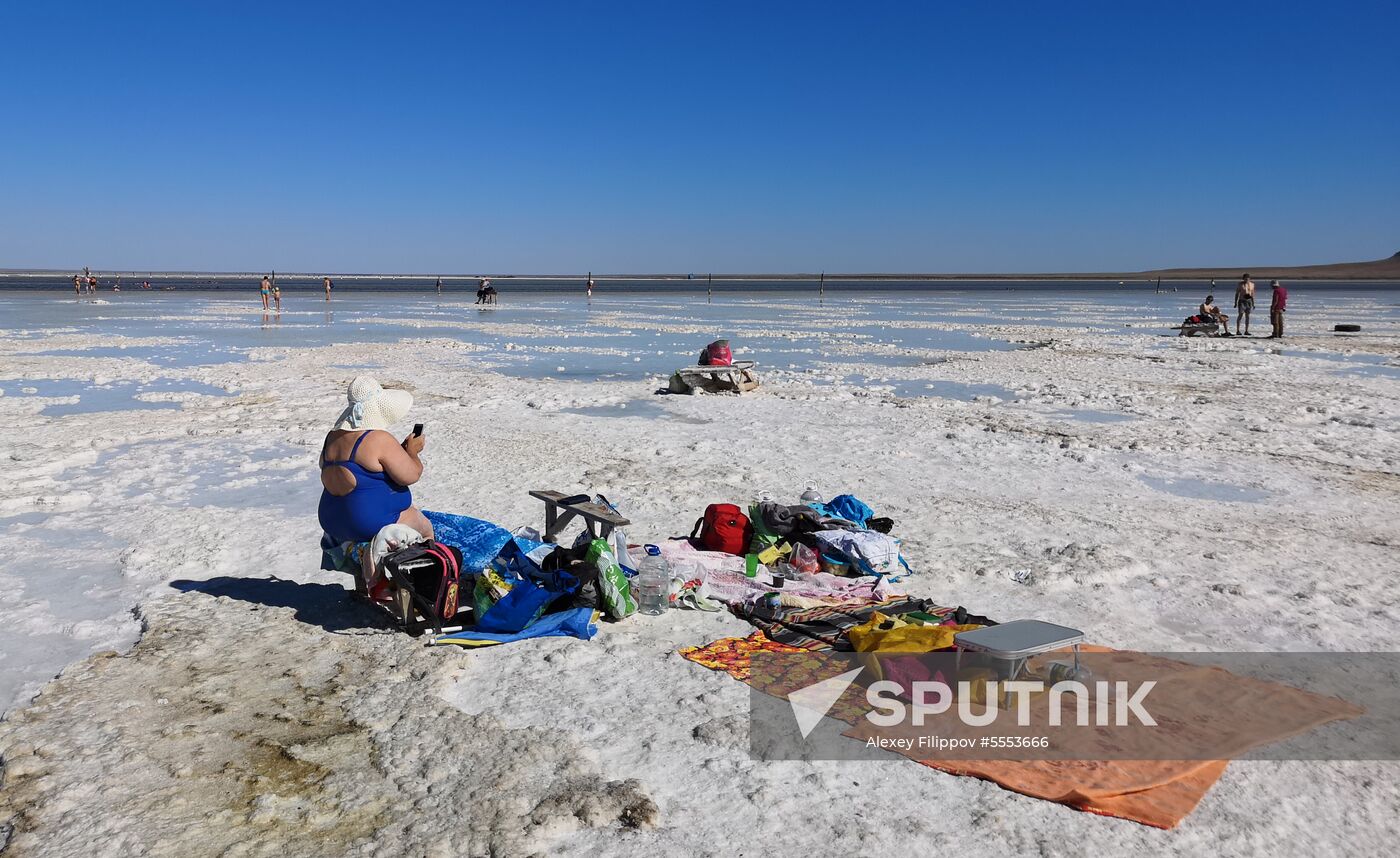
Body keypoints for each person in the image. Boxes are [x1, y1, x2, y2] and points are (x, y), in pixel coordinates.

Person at [318, 376, 434, 551]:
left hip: (331, 520)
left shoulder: (332, 437)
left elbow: (351, 466)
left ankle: (361, 576)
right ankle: (429, 571)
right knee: (425, 527)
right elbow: (411, 475)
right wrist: (412, 452)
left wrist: (399, 453)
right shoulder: (378, 439)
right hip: (369, 523)